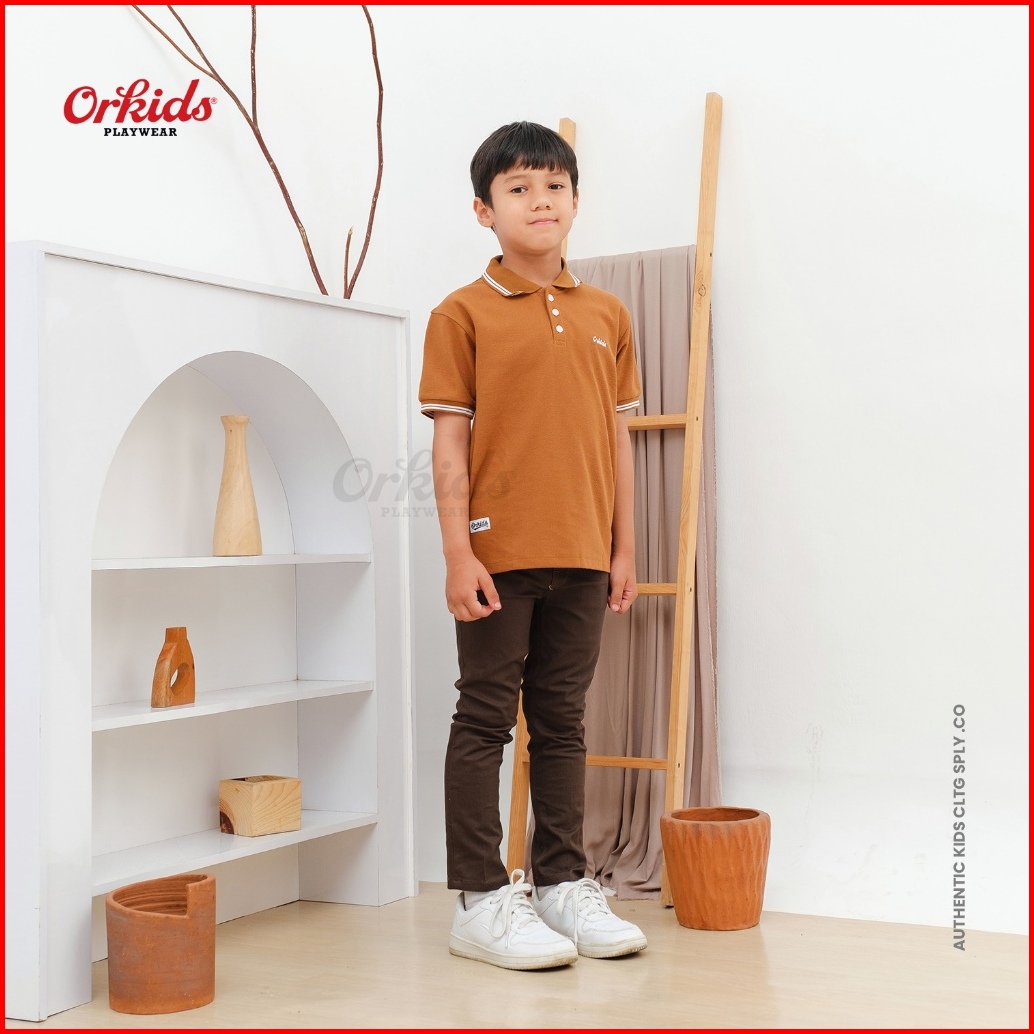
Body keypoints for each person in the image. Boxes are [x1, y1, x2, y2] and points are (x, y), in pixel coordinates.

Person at [418, 121, 647, 970]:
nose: (540, 201)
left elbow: (617, 442)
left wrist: (624, 550)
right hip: (496, 554)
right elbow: (449, 443)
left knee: (562, 722)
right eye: (518, 188)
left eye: (554, 186)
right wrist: (457, 553)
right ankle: (479, 899)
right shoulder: (461, 313)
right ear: (485, 210)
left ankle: (560, 883)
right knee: (484, 718)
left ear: (576, 202)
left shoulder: (607, 315)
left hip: (584, 552)